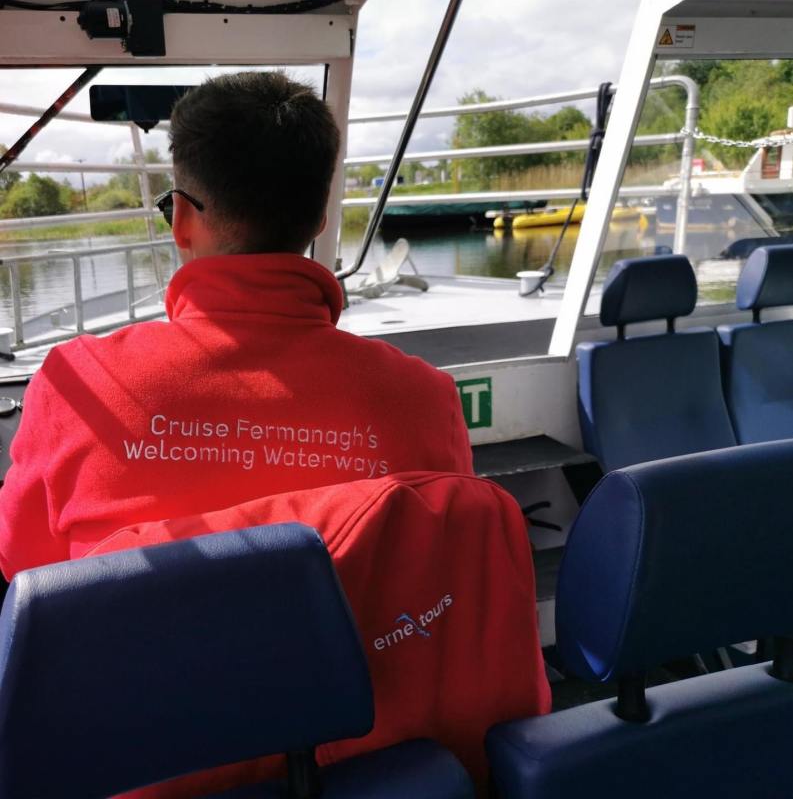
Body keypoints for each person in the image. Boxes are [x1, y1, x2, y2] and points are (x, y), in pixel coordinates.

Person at [0, 71, 473, 581]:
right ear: (320, 218)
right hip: (349, 662)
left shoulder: (77, 385)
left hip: (138, 660)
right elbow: (441, 573)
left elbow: (23, 564)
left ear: (180, 218)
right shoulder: (427, 400)